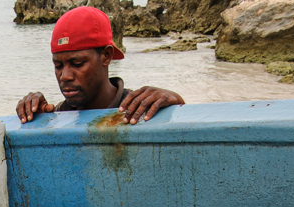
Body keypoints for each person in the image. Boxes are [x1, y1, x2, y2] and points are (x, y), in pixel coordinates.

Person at [16, 7, 185, 125]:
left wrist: (177, 104)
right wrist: (36, 118)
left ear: (106, 56)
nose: (65, 76)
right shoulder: (60, 114)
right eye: (58, 65)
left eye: (77, 63)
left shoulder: (137, 109)